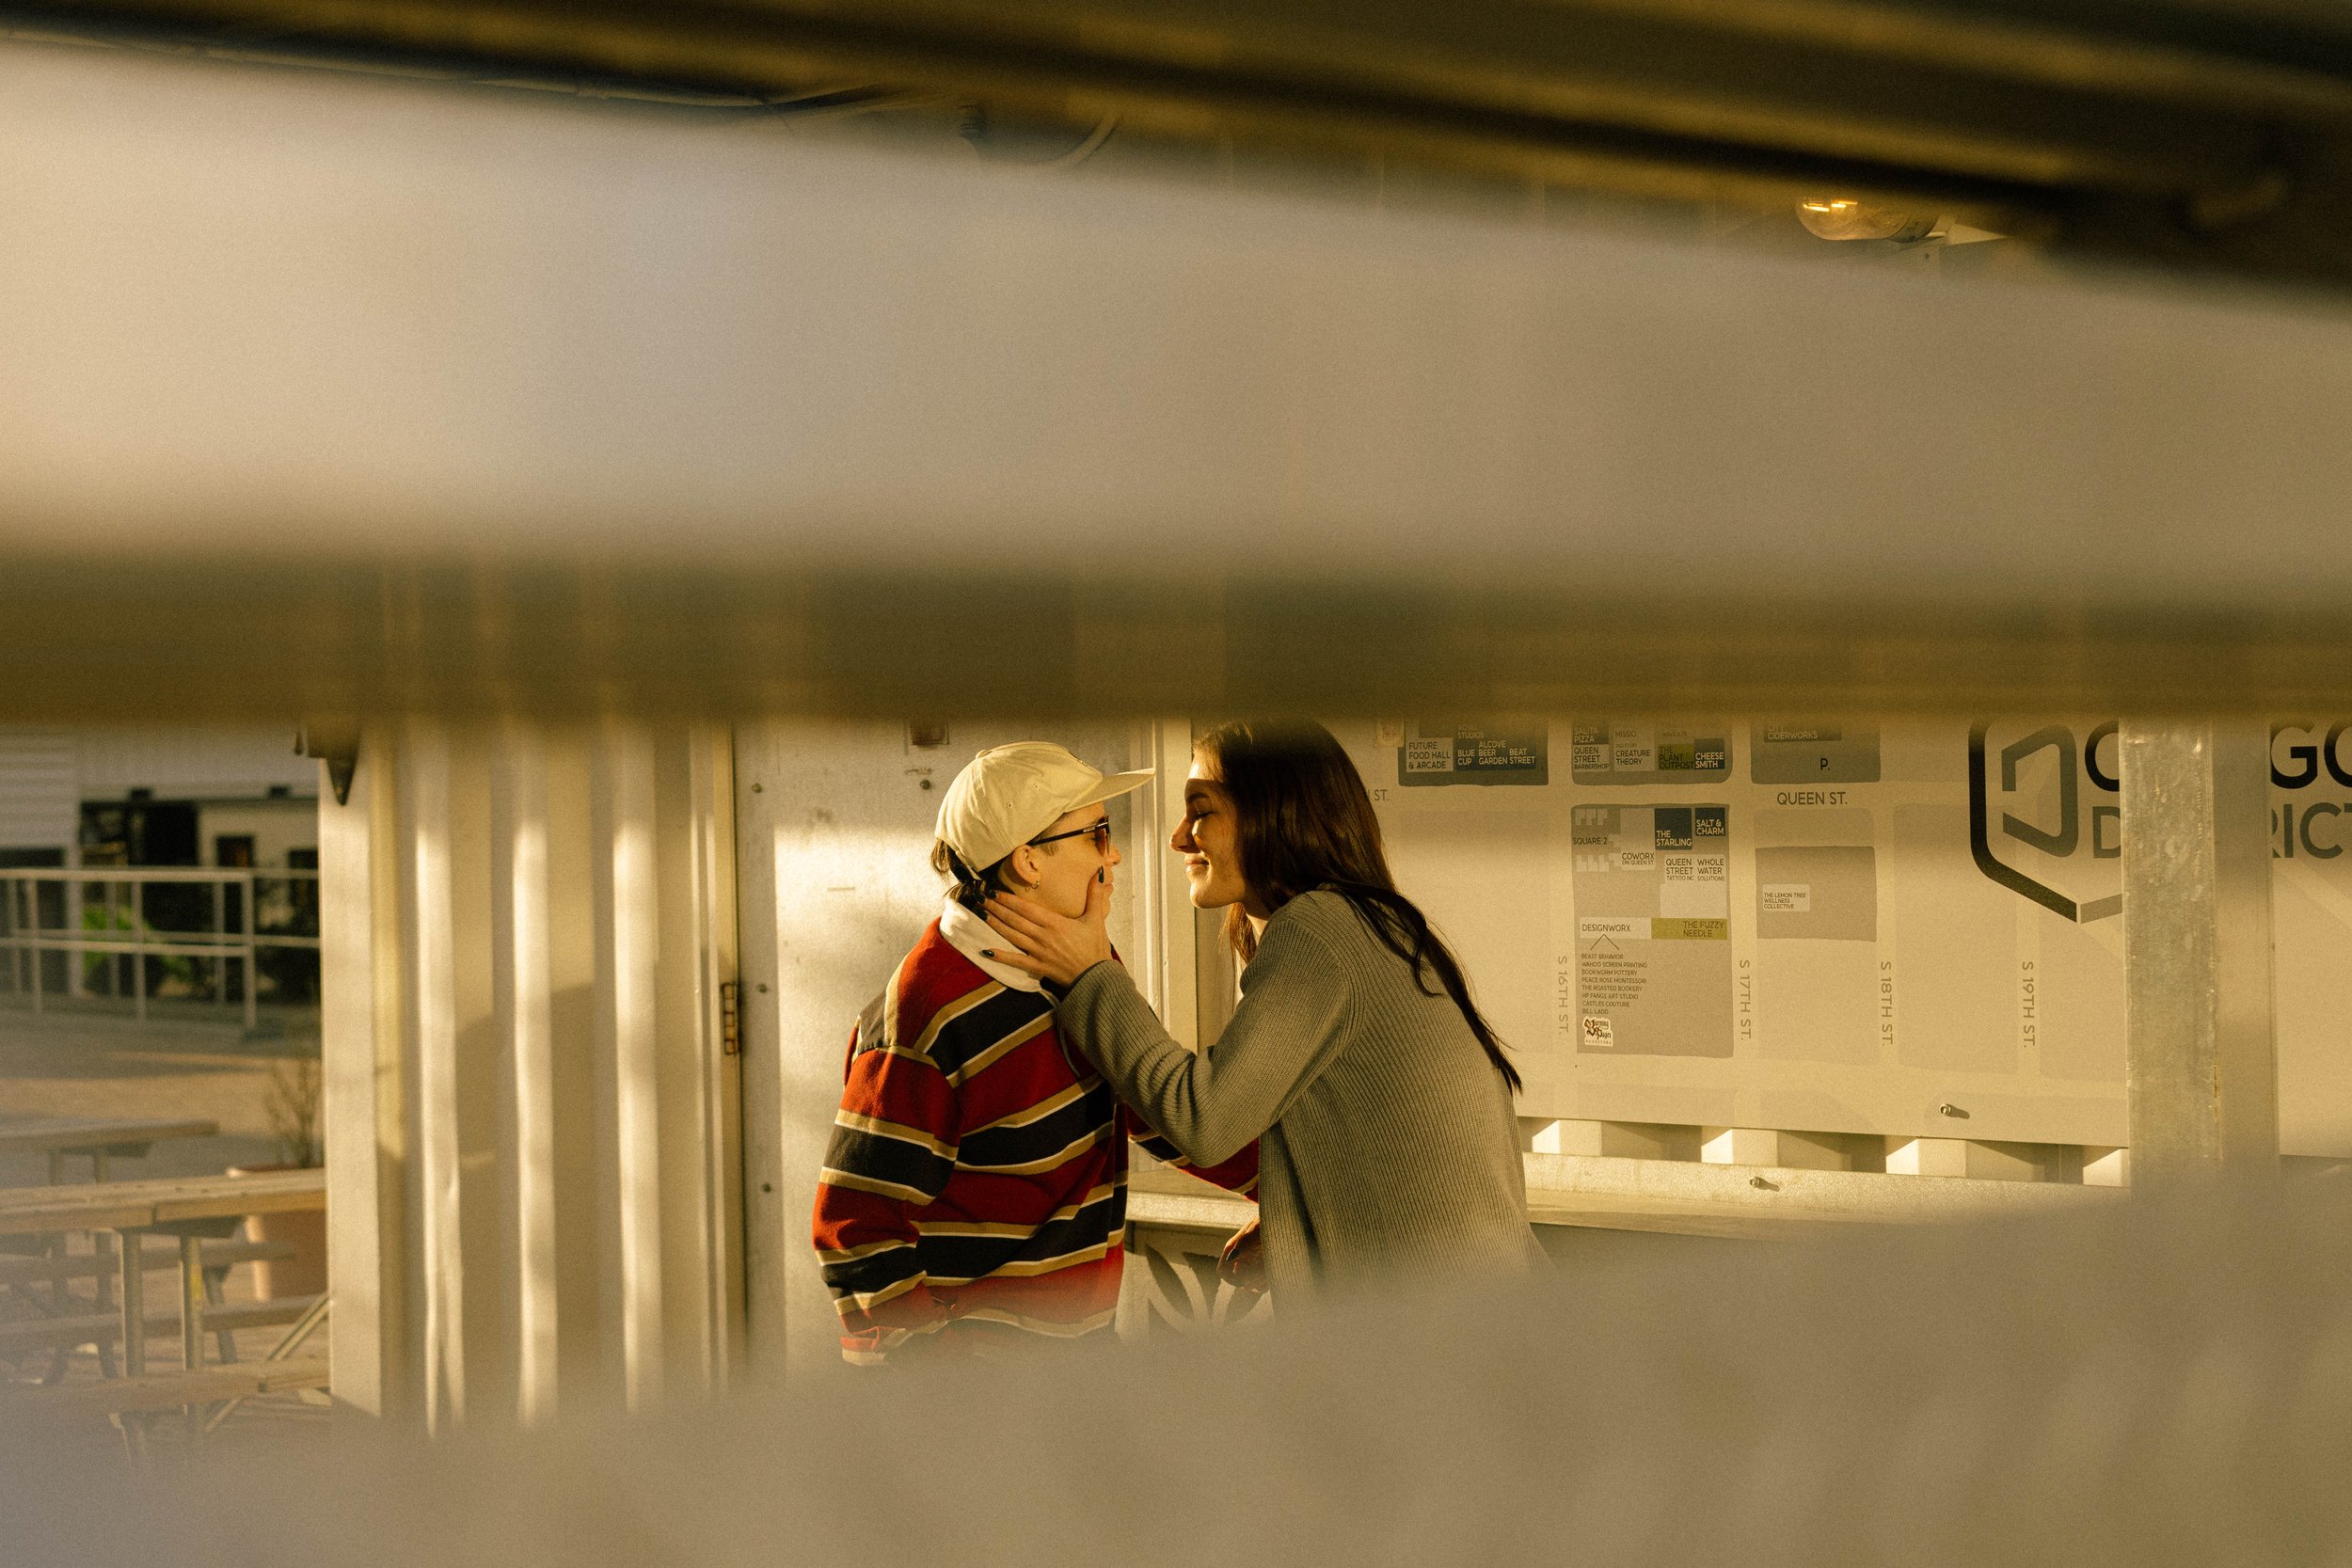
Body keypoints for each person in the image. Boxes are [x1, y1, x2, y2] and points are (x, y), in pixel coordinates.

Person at [981, 720, 1541, 1301]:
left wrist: (1092, 976)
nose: (1178, 838)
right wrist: (1296, 1214)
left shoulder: (1321, 929)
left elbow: (1204, 1120)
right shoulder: (1371, 924)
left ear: (1274, 814)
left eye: (1201, 811)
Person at [811, 741, 1258, 1364]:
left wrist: (1287, 1196)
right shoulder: (926, 1013)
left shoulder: (1079, 963)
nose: (1115, 854)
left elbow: (1154, 1105)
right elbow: (855, 1229)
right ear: (1028, 862)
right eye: (1097, 834)